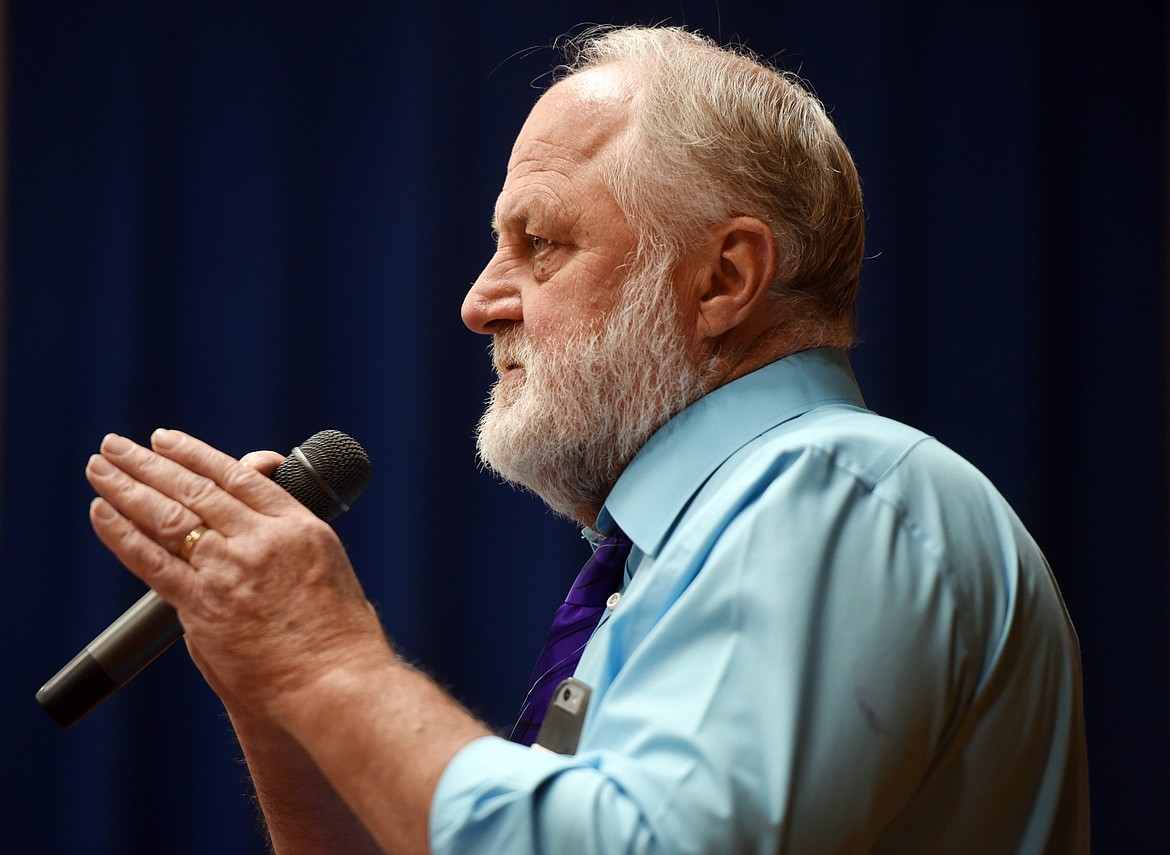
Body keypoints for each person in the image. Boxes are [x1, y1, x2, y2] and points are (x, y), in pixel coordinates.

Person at [84, 25, 1089, 855]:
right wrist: (277, 693)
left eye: (541, 243)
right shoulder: (677, 556)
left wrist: (326, 661)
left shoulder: (835, 491)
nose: (479, 302)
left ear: (722, 280)